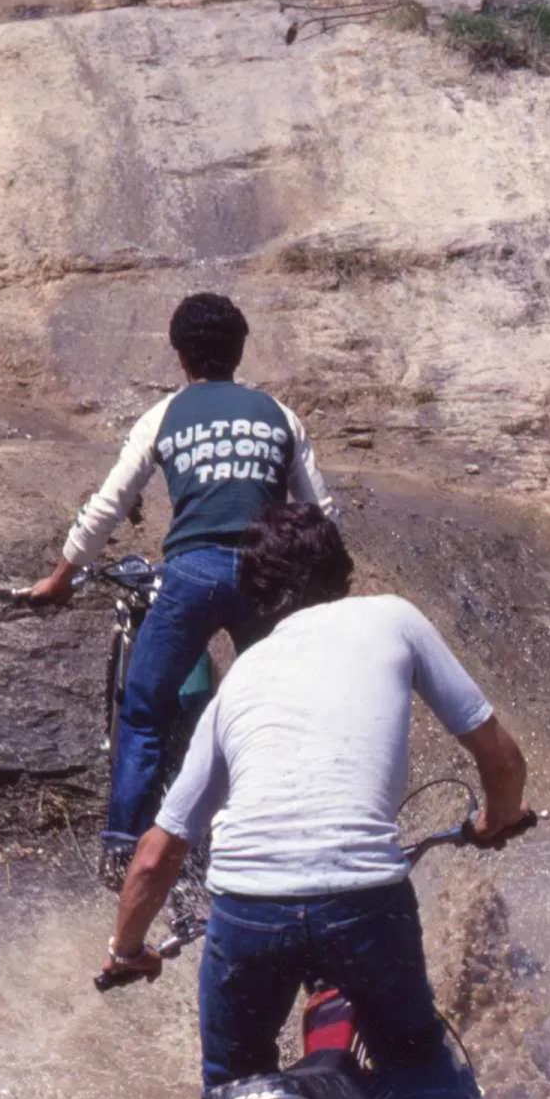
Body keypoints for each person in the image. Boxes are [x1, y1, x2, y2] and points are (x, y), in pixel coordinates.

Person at [99, 503, 534, 1099]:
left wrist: (128, 949)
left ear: (258, 596)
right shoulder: (393, 618)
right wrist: (496, 818)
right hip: (362, 902)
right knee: (417, 1069)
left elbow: (156, 855)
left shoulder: (244, 679)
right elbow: (500, 757)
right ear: (343, 571)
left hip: (247, 915)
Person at [29, 293, 333, 840]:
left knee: (145, 715)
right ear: (240, 351)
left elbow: (109, 504)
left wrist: (61, 578)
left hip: (192, 576)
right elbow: (322, 514)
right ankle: (294, 835)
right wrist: (325, 597)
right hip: (268, 576)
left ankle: (123, 853)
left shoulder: (164, 416)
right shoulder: (279, 415)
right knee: (281, 713)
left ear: (180, 357)